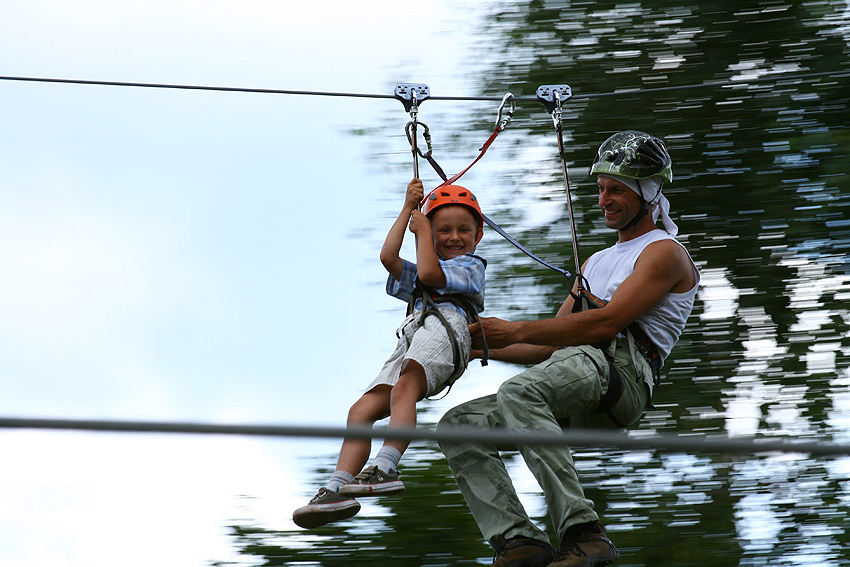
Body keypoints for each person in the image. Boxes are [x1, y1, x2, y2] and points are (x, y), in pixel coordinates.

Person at [438, 131, 700, 567]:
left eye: (616, 189)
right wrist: (474, 344)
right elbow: (546, 345)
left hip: (621, 374)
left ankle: (583, 533)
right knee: (459, 424)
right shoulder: (594, 263)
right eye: (600, 189)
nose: (604, 200)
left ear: (648, 192)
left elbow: (610, 321)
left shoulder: (664, 253)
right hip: (576, 372)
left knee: (520, 392)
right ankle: (518, 541)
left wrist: (514, 330)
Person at [293, 178, 487, 529]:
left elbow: (430, 272)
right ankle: (338, 487)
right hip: (416, 334)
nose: (454, 237)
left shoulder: (470, 267)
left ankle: (384, 466)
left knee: (404, 389)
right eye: (443, 230)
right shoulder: (426, 259)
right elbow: (388, 257)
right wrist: (406, 211)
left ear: (478, 235)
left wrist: (424, 231)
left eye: (463, 230)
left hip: (449, 327)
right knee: (361, 410)